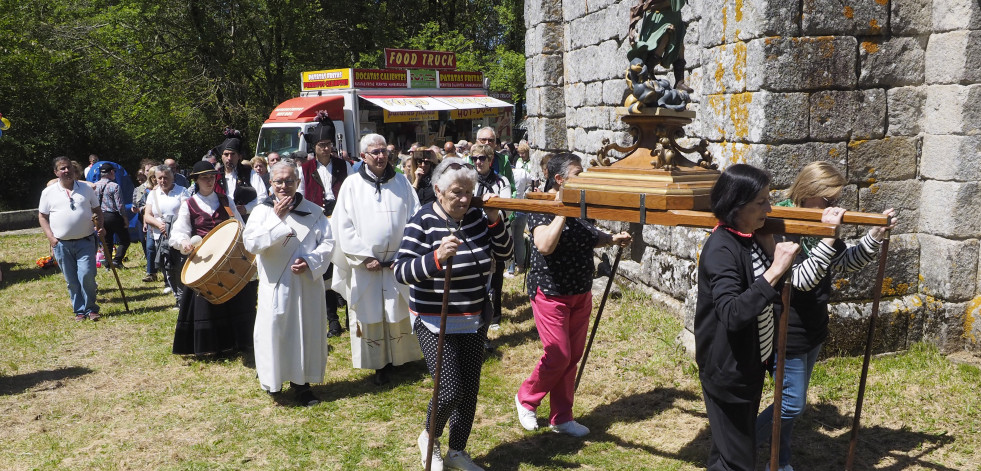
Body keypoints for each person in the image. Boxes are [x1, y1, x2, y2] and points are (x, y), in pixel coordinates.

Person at [754, 162, 897, 471]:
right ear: (808, 193)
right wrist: (829, 236)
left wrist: (873, 235)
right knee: (790, 404)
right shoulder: (779, 223)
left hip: (812, 327)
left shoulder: (818, 222)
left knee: (787, 405)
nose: (835, 206)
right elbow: (800, 280)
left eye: (836, 199)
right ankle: (739, 445)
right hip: (785, 329)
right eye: (829, 199)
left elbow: (844, 264)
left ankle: (779, 462)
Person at [394, 157, 513, 471]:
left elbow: (506, 254)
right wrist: (435, 257)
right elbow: (401, 271)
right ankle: (429, 439)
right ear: (437, 191)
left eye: (468, 192)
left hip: (473, 318)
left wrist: (493, 218)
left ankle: (456, 451)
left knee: (470, 389)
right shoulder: (421, 220)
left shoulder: (476, 216)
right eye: (457, 193)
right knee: (449, 389)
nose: (464, 199)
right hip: (435, 320)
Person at [514, 152, 632, 437]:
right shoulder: (540, 204)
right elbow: (544, 245)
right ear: (559, 179)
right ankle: (526, 398)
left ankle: (562, 417)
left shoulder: (582, 203)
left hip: (580, 290)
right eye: (579, 173)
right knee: (559, 353)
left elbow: (587, 236)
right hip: (550, 291)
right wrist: (563, 212)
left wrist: (611, 239)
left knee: (572, 355)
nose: (584, 177)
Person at [694, 163, 799, 471]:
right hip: (728, 371)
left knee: (728, 452)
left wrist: (770, 251)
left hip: (748, 365)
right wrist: (775, 270)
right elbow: (732, 314)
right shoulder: (721, 248)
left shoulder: (749, 237)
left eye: (769, 198)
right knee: (739, 460)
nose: (770, 207)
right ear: (737, 207)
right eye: (761, 202)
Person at [331, 134, 423, 385]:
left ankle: (401, 358)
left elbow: (415, 221)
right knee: (371, 312)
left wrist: (405, 254)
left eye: (383, 151)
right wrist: (363, 257)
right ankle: (379, 364)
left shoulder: (402, 183)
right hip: (366, 266)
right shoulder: (351, 186)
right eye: (375, 152)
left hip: (397, 264)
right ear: (363, 156)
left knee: (397, 309)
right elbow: (343, 226)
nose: (381, 156)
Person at [243, 159, 334, 406]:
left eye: (289, 181)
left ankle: (302, 385)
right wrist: (276, 219)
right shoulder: (261, 212)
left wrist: (311, 261)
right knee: (274, 330)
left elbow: (328, 243)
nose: (284, 186)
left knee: (304, 333)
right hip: (275, 285)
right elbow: (251, 244)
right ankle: (273, 380)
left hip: (306, 285)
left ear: (297, 182)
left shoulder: (314, 212)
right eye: (279, 181)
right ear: (270, 183)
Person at [170, 161, 257, 355]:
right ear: (196, 180)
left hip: (229, 259)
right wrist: (184, 242)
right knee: (207, 303)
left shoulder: (226, 201)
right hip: (203, 262)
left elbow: (240, 226)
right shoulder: (188, 204)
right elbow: (178, 232)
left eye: (212, 177)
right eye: (204, 178)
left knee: (237, 297)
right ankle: (213, 346)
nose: (209, 181)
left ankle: (241, 342)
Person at [297, 110, 353, 337]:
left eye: (329, 144)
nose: (326, 148)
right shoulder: (304, 170)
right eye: (322, 144)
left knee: (345, 267)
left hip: (340, 221)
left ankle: (350, 316)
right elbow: (300, 196)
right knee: (324, 272)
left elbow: (350, 193)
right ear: (314, 147)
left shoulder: (345, 165)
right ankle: (332, 321)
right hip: (318, 224)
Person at [39, 156, 104, 321]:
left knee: (87, 275)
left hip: (86, 240)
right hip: (61, 243)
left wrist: (100, 225)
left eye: (68, 167)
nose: (66, 171)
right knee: (72, 280)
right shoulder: (48, 193)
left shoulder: (85, 189)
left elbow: (97, 210)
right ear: (56, 172)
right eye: (62, 168)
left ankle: (91, 308)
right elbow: (42, 216)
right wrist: (51, 237)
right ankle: (80, 311)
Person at [470, 143, 512, 333]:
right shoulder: (469, 181)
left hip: (497, 233)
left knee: (496, 276)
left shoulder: (501, 181)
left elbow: (506, 208)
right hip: (476, 234)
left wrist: (492, 213)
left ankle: (495, 313)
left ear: (490, 160)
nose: (478, 162)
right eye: (475, 159)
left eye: (482, 158)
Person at [144, 165, 187, 304]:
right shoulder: (153, 194)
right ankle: (177, 296)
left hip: (179, 236)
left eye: (166, 177)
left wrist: (172, 225)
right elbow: (147, 216)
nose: (163, 180)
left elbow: (187, 213)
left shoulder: (182, 191)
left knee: (181, 266)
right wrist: (160, 225)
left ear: (172, 177)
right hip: (160, 237)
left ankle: (183, 298)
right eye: (160, 178)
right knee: (167, 267)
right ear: (155, 179)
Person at [215, 130, 262, 218]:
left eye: (233, 154)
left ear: (239, 156)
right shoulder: (215, 175)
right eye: (226, 154)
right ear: (221, 156)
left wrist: (247, 208)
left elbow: (262, 195)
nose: (229, 158)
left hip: (247, 220)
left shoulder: (249, 173)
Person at [94, 163, 131, 269]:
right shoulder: (114, 186)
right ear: (111, 172)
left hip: (101, 216)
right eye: (113, 171)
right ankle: (117, 260)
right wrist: (125, 218)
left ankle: (108, 264)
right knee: (125, 240)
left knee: (107, 241)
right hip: (113, 216)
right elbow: (120, 205)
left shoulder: (95, 186)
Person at [506, 141, 534, 277]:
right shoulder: (522, 172)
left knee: (510, 239)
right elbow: (533, 182)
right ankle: (521, 266)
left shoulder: (506, 176)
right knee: (519, 239)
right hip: (522, 207)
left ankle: (511, 269)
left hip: (511, 208)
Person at [132, 159, 160, 282]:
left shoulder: (166, 188)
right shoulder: (145, 190)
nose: (154, 178)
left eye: (155, 176)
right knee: (149, 247)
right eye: (151, 175)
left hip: (163, 221)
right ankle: (151, 273)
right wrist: (144, 221)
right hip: (149, 221)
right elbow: (141, 206)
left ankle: (166, 272)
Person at [474, 127, 515, 198]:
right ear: (477, 141)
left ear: (495, 143)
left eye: (491, 140)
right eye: (483, 140)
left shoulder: (503, 160)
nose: (487, 143)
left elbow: (512, 189)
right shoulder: (468, 161)